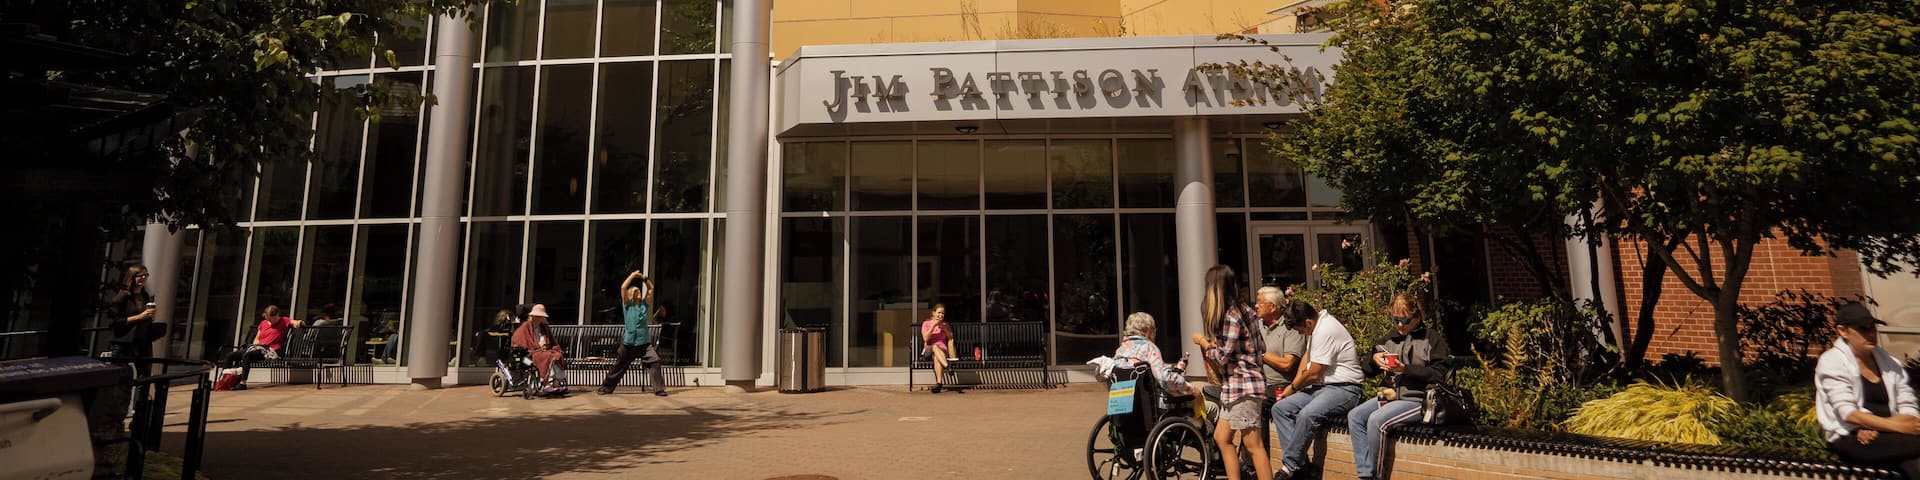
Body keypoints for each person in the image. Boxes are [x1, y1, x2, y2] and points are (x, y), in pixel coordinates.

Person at [1348, 293, 1449, 480]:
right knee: (1355, 416)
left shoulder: (1431, 339)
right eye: (1395, 320)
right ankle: (1365, 473)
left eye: (1405, 320)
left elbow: (1438, 374)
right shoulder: (1389, 340)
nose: (1400, 326)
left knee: (1376, 421)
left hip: (1418, 399)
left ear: (1417, 316)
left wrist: (1405, 369)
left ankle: (1376, 476)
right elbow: (1367, 370)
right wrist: (1374, 358)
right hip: (1390, 397)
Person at [1816, 302, 1920, 478]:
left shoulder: (1889, 362)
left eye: (1872, 328)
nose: (1871, 334)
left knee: (1915, 465)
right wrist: (1900, 427)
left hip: (1889, 434)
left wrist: (1889, 427)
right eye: (1863, 329)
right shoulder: (1832, 362)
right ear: (1843, 331)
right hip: (1851, 435)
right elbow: (1849, 414)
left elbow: (1907, 403)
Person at [1191, 265, 1272, 480]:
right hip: (1236, 387)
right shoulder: (1246, 310)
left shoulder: (1231, 316)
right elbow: (1261, 346)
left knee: (1253, 445)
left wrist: (1203, 342)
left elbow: (1221, 356)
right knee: (1222, 437)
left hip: (1244, 386)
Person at [1270, 297, 1365, 480]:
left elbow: (1314, 373)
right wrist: (1294, 384)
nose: (1300, 334)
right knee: (1280, 409)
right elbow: (1307, 357)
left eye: (1299, 330)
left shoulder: (1326, 329)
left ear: (1308, 322)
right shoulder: (1316, 326)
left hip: (1345, 388)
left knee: (1307, 414)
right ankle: (1302, 468)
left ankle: (1289, 466)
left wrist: (1293, 387)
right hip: (1321, 388)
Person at [600, 271, 667, 396]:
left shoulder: (644, 305)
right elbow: (623, 287)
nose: (638, 292)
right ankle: (606, 387)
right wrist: (632, 275)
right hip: (628, 343)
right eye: (635, 291)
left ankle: (659, 389)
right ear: (630, 295)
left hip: (644, 344)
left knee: (655, 361)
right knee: (619, 366)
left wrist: (643, 278)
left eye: (639, 291)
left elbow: (651, 288)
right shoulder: (627, 305)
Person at [1255, 286, 1308, 443]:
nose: (1256, 306)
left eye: (1260, 303)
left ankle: (1259, 455)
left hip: (1281, 385)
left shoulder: (1290, 327)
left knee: (1258, 404)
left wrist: (1261, 354)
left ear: (1272, 307)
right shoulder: (1256, 326)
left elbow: (1287, 364)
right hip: (1257, 383)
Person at [224, 305, 306, 390]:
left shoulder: (284, 321)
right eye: (268, 319)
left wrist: (300, 323)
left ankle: (242, 383)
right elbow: (257, 338)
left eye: (272, 319)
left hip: (269, 350)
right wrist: (256, 344)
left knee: (247, 355)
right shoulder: (263, 323)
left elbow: (295, 322)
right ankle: (225, 381)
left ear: (277, 315)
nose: (270, 321)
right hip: (258, 348)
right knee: (230, 355)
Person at [1114, 312, 1191, 396]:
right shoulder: (1149, 348)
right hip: (1148, 401)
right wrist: (1189, 388)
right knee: (1191, 397)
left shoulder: (1120, 350)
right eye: (1154, 330)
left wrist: (1170, 368)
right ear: (1146, 331)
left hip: (1123, 399)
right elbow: (1165, 379)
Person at [513, 304, 567, 394]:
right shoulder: (525, 326)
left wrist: (547, 346)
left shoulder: (544, 327)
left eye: (540, 317)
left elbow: (552, 341)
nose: (538, 318)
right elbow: (517, 339)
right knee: (547, 356)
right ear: (532, 316)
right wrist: (536, 346)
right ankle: (546, 384)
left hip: (543, 350)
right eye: (537, 316)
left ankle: (556, 383)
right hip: (529, 354)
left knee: (557, 355)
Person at [106, 265, 157, 360]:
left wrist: (150, 316)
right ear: (132, 277)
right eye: (140, 275)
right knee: (121, 368)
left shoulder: (145, 295)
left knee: (146, 369)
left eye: (146, 275)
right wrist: (140, 317)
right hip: (125, 341)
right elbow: (113, 321)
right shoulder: (123, 296)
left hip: (143, 341)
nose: (143, 278)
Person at [922, 304, 959, 393]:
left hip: (942, 351)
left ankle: (939, 384)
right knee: (935, 347)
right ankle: (947, 366)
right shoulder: (926, 323)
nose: (941, 315)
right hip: (929, 350)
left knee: (937, 357)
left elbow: (951, 338)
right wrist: (933, 326)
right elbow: (925, 338)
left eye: (942, 313)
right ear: (933, 313)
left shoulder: (945, 324)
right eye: (939, 312)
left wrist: (945, 329)